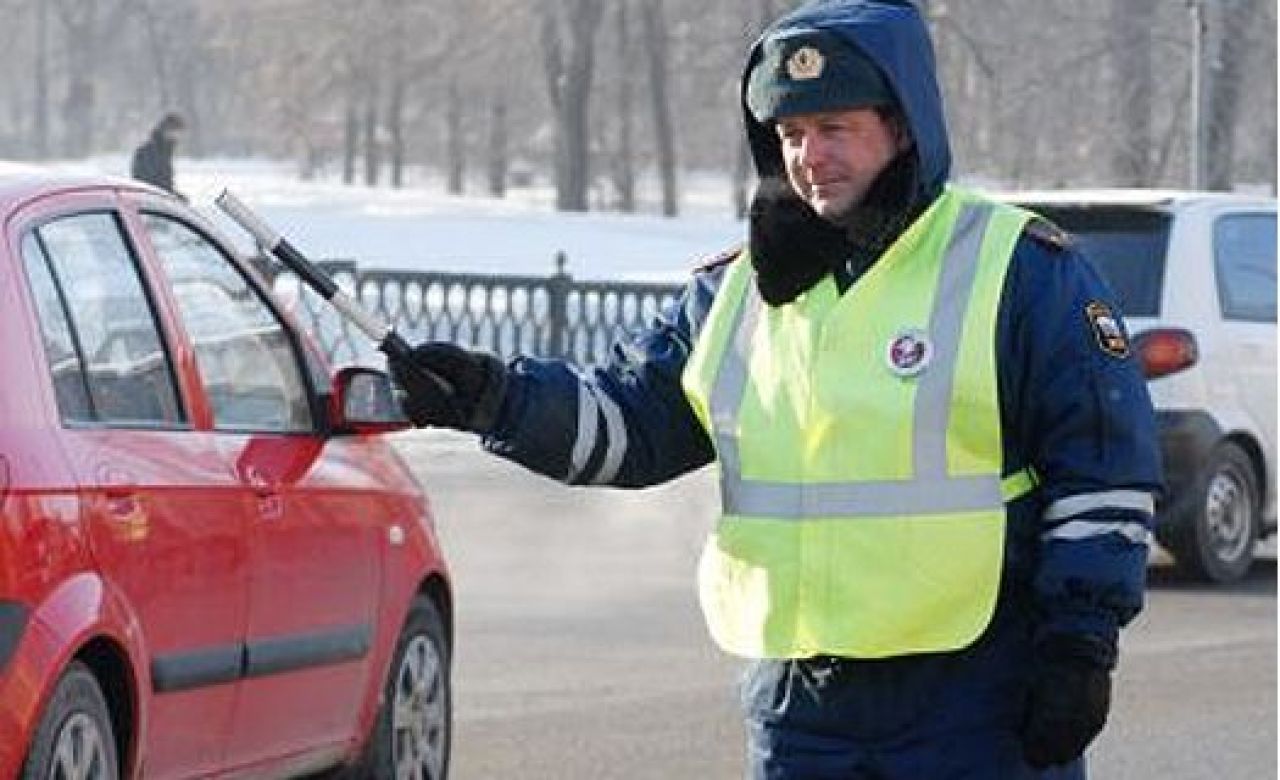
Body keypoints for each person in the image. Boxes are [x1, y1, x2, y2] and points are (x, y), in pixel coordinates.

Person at [390, 1, 1161, 777]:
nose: (809, 156)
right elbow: (633, 422)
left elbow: (1101, 470)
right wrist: (493, 397)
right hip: (800, 707)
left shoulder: (1020, 269)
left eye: (835, 129)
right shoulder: (733, 292)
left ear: (904, 128)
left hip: (977, 695)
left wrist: (1079, 646)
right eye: (790, 135)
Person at [130, 112, 186, 196]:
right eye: (176, 132)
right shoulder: (150, 151)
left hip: (159, 195)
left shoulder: (165, 151)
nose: (178, 137)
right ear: (167, 130)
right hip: (149, 196)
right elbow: (151, 180)